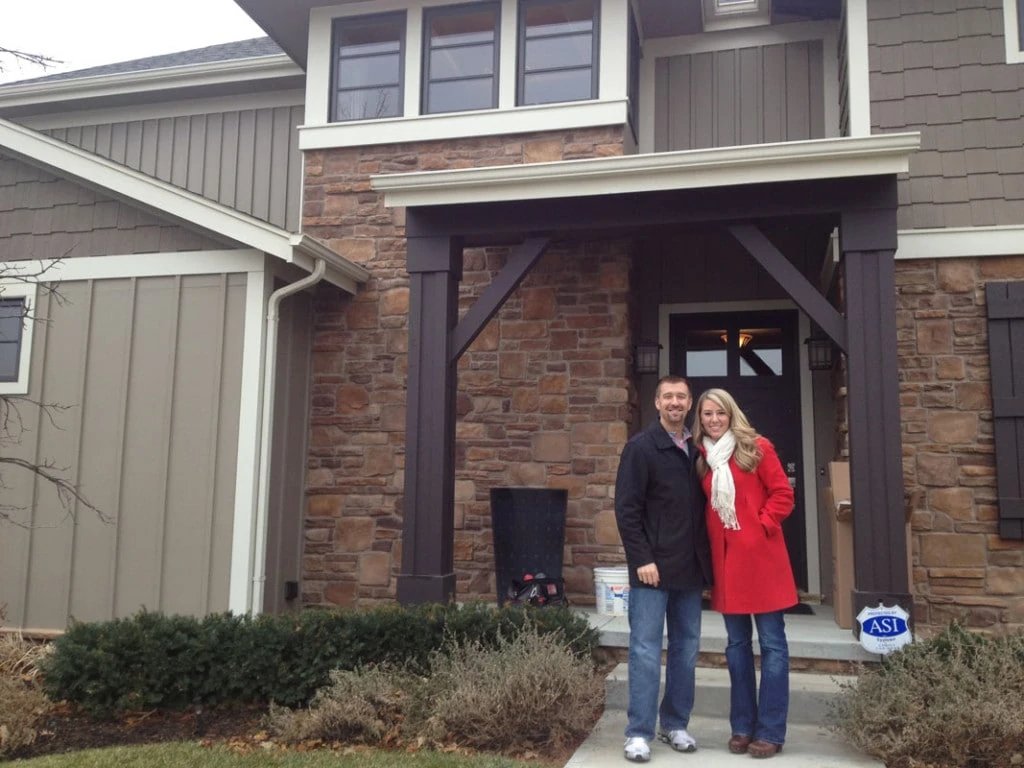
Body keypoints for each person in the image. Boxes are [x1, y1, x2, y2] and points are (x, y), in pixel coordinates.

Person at [691, 388, 797, 760]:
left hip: (763, 562)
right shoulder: (701, 457)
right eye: (707, 414)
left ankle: (770, 731)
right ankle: (742, 726)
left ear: (731, 414)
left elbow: (783, 494)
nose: (714, 419)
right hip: (727, 565)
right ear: (700, 419)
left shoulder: (756, 447)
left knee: (771, 645)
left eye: (720, 412)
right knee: (736, 648)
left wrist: (761, 526)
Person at [614, 375, 713, 763]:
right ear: (656, 403)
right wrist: (642, 560)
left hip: (689, 570)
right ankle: (638, 733)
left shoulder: (698, 450)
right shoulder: (641, 448)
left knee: (686, 652)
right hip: (651, 572)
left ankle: (675, 723)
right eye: (668, 396)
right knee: (644, 651)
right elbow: (626, 510)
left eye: (681, 397)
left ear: (689, 405)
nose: (675, 403)